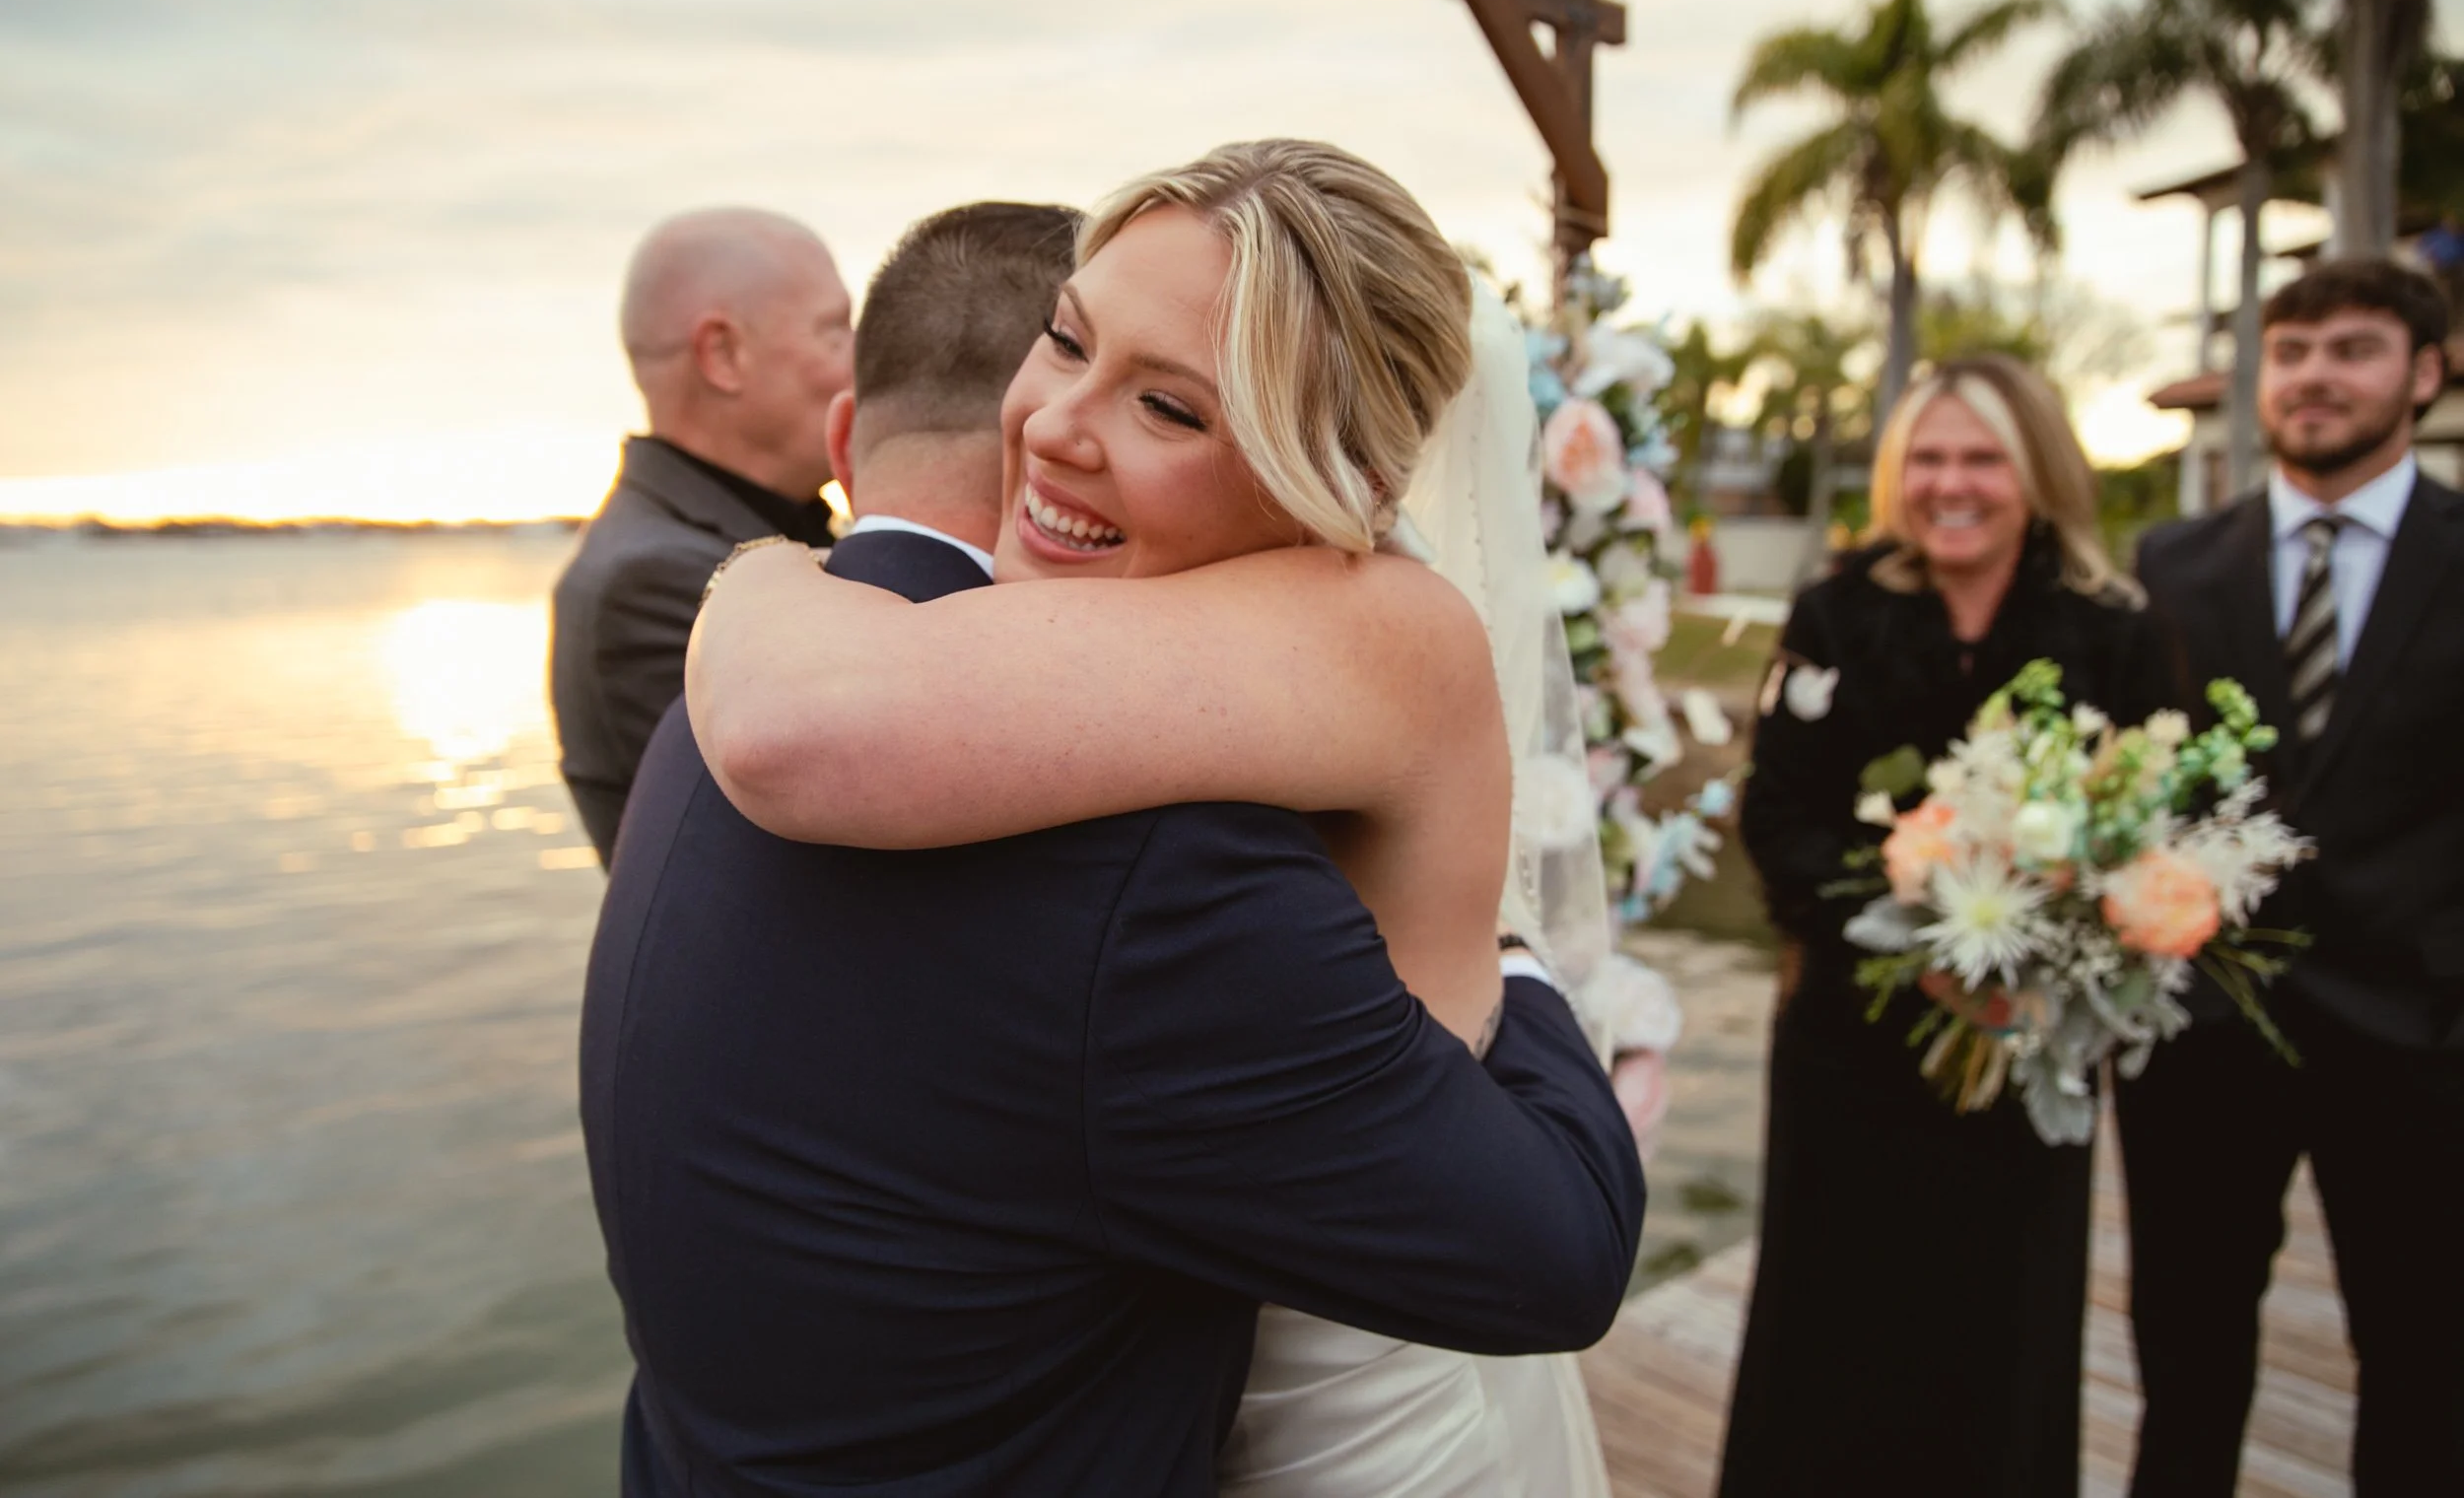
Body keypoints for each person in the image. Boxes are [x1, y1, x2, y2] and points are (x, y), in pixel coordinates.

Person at [590, 145, 1647, 1498]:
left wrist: (760, 570)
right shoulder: (1163, 870)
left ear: (1347, 482)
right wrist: (1507, 945)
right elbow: (1563, 1246)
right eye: (1067, 339)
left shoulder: (726, 697)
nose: (1050, 426)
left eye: (1169, 407)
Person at [1716, 356, 2170, 1498]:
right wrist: (1915, 936)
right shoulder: (1836, 609)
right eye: (1926, 457)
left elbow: (2152, 829)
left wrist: (2047, 944)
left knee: (2000, 1335)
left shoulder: (2108, 629)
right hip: (1849, 1047)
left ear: (2034, 475)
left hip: (2022, 1055)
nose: (1950, 483)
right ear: (1893, 474)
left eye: (1980, 458)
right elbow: (1775, 813)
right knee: (1832, 1331)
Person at [2120, 259, 2463, 1497]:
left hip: (2425, 1041)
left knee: (2426, 1364)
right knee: (2186, 1362)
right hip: (2202, 1036)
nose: (2315, 375)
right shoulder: (2170, 561)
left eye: (2354, 349)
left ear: (2424, 373)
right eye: (2296, 349)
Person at [550, 207, 854, 862]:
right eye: (836, 331)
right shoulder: (656, 578)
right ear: (723, 354)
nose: (867, 362)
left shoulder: (708, 536)